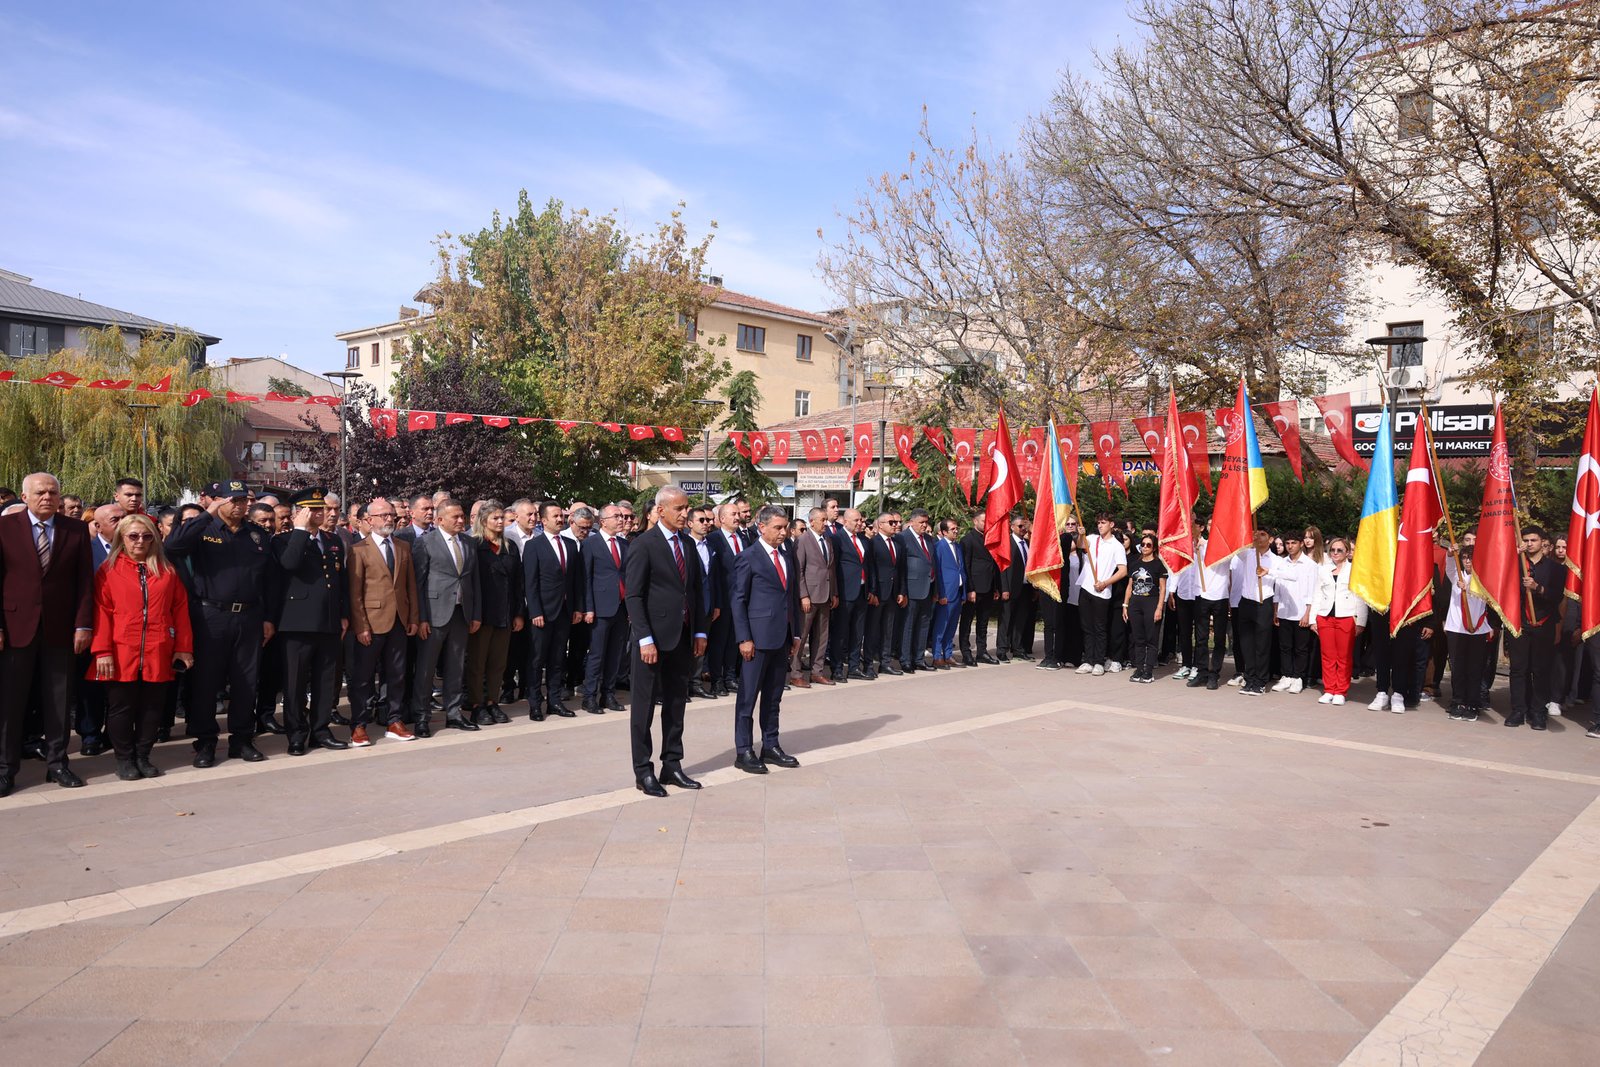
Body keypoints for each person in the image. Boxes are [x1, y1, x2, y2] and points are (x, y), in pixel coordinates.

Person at [164, 479, 277, 767]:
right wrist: (207, 513)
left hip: (249, 616)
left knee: (246, 681)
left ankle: (241, 738)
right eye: (233, 500)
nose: (240, 506)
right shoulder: (204, 530)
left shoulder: (256, 535)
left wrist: (267, 617)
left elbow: (267, 581)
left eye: (243, 501)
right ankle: (205, 741)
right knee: (206, 681)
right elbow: (173, 546)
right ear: (219, 501)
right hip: (211, 616)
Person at [0, 472, 95, 794]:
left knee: (59, 700)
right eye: (40, 492)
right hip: (15, 628)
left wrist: (83, 624)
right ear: (24, 497)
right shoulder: (5, 528)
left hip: (61, 628)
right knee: (10, 702)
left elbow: (85, 581)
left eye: (53, 492)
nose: (47, 497)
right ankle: (5, 768)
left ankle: (58, 763)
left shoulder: (76, 530)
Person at [90, 513, 193, 780]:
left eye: (147, 536)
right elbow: (100, 612)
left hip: (158, 648)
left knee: (152, 707)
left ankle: (143, 755)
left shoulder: (167, 571)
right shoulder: (108, 570)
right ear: (122, 538)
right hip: (121, 648)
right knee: (121, 707)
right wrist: (102, 651)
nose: (140, 541)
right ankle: (124, 758)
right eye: (133, 536)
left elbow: (180, 610)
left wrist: (183, 647)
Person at [624, 486, 708, 797]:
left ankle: (672, 764)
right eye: (680, 509)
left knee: (676, 704)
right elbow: (634, 596)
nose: (686, 514)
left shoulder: (687, 544)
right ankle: (643, 771)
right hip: (652, 640)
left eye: (687, 508)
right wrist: (644, 638)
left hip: (682, 638)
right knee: (643, 709)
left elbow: (696, 592)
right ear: (661, 511)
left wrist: (700, 631)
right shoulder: (644, 545)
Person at [272, 488, 349, 755]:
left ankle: (320, 730)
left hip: (328, 621)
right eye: (313, 509)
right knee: (294, 682)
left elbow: (341, 581)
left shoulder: (332, 539)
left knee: (326, 681)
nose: (321, 513)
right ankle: (296, 733)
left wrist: (343, 614)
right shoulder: (284, 540)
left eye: (322, 509)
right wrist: (300, 531)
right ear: (298, 513)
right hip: (297, 623)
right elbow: (290, 564)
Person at [730, 504, 803, 774]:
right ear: (761, 527)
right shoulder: (748, 557)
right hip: (756, 640)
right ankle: (744, 750)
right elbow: (738, 600)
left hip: (781, 636)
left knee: (774, 696)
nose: (783, 532)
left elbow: (791, 596)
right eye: (778, 528)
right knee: (748, 698)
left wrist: (795, 632)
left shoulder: (787, 554)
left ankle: (770, 745)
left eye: (785, 527)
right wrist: (744, 638)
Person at [346, 497, 419, 745]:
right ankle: (359, 724)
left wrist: (413, 618)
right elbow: (355, 594)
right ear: (368, 520)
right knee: (364, 678)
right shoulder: (358, 549)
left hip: (399, 620)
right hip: (371, 623)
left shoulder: (402, 546)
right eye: (383, 515)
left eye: (391, 515)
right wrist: (361, 626)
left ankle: (394, 720)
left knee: (397, 674)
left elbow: (411, 587)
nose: (389, 519)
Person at [410, 499, 481, 736]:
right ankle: (421, 716)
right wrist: (420, 618)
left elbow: (474, 581)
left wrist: (475, 613)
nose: (461, 520)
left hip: (462, 614)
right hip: (433, 615)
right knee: (426, 668)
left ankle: (454, 713)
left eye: (462, 516)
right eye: (456, 517)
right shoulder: (425, 543)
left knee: (456, 666)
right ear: (440, 520)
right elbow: (418, 584)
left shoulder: (469, 543)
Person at [467, 500, 525, 725]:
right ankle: (476, 704)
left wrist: (518, 613)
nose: (500, 522)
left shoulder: (510, 546)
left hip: (505, 613)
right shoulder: (474, 545)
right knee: (477, 662)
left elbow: (518, 583)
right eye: (495, 518)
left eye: (502, 518)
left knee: (498, 663)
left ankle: (492, 701)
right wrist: (474, 615)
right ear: (484, 521)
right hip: (482, 614)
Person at [523, 500, 582, 720]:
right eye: (555, 516)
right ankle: (535, 703)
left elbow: (575, 580)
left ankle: (554, 701)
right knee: (537, 660)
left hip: (565, 612)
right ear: (543, 520)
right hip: (543, 613)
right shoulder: (534, 546)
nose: (560, 519)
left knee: (558, 659)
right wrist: (535, 611)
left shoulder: (569, 544)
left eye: (562, 516)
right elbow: (530, 583)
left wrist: (577, 608)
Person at [1506, 525, 1562, 730]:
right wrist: (1513, 557)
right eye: (1526, 540)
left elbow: (1557, 596)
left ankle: (1538, 712)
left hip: (1543, 623)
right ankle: (1518, 710)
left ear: (1542, 542)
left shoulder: (1556, 568)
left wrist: (1537, 588)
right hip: (1519, 623)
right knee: (1518, 669)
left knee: (1540, 670)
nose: (1529, 544)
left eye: (1533, 540)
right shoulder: (1516, 564)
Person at [582, 503, 633, 713]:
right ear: (602, 521)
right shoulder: (591, 544)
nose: (621, 520)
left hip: (621, 607)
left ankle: (608, 694)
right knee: (597, 655)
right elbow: (585, 578)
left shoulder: (624, 544)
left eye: (622, 516)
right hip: (600, 608)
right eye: (616, 516)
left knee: (615, 654)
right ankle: (589, 696)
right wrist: (588, 608)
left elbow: (627, 576)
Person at [1440, 547, 1495, 722]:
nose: (1468, 562)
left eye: (1471, 558)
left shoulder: (1484, 579)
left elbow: (1488, 597)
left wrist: (1468, 589)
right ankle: (1458, 702)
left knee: (1475, 668)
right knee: (1458, 668)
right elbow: (1449, 566)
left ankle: (1473, 703)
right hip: (1457, 629)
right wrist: (1450, 553)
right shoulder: (1457, 575)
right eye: (1464, 558)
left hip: (1477, 630)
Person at [1311, 537, 1365, 705]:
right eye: (1332, 550)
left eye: (1339, 550)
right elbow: (1317, 594)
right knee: (1327, 655)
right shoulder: (1323, 570)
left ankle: (1341, 690)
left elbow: (1360, 596)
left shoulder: (1354, 569)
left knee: (1344, 656)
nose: (1335, 553)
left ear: (1347, 552)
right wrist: (1313, 618)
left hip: (1346, 616)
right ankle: (1329, 689)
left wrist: (1361, 620)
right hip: (1325, 616)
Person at [1075, 514, 1128, 676]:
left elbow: (1123, 571)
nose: (1100, 525)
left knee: (1099, 628)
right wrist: (1080, 534)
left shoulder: (1116, 546)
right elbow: (1079, 545)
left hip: (1102, 591)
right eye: (1098, 523)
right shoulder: (1092, 538)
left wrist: (1106, 583)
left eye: (1103, 523)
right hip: (1086, 588)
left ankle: (1098, 661)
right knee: (1086, 626)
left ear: (1111, 524)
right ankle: (1088, 660)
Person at [791, 506, 837, 686]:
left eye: (826, 520)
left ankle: (817, 672)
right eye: (822, 520)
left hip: (825, 595)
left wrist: (834, 592)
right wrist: (803, 595)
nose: (826, 523)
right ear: (812, 521)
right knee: (802, 636)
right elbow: (799, 570)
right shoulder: (803, 540)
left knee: (822, 636)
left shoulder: (827, 540)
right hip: (809, 596)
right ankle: (796, 673)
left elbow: (831, 569)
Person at [1230, 528, 1280, 695]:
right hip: (1246, 603)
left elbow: (1289, 575)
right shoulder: (1248, 554)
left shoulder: (1276, 560)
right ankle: (1249, 678)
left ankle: (1260, 681)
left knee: (1262, 645)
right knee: (1246, 644)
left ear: (1271, 539)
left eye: (1263, 534)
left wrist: (1269, 571)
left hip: (1263, 603)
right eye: (1256, 533)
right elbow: (1233, 545)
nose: (1258, 537)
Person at [1270, 530, 1319, 694]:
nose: (1290, 546)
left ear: (1301, 544)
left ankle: (1298, 677)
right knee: (1285, 646)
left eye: (1293, 543)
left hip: (1301, 612)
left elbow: (1312, 591)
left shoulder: (1310, 565)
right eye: (1288, 543)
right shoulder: (1281, 563)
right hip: (1284, 610)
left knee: (1301, 648)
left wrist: (1308, 613)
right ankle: (1287, 675)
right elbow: (1277, 587)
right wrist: (1275, 610)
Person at [828, 508, 871, 683]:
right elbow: (833, 568)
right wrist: (835, 592)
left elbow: (868, 566)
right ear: (845, 522)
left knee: (857, 632)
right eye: (856, 520)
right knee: (840, 632)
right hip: (845, 592)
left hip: (861, 592)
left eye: (861, 520)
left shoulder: (863, 540)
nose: (860, 523)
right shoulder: (837, 539)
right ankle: (837, 669)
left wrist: (871, 589)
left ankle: (854, 667)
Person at [896, 508, 940, 671]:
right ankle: (905, 659)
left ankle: (919, 659)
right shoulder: (902, 538)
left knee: (923, 625)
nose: (924, 525)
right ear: (911, 522)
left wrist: (935, 589)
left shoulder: (929, 539)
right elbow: (900, 567)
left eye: (926, 522)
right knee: (908, 626)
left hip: (927, 588)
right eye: (921, 522)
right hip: (911, 589)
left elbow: (933, 564)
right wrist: (902, 591)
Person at [1121, 534, 1167, 683]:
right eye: (1143, 544)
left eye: (1148, 545)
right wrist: (1125, 605)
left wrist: (1159, 608)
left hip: (1151, 603)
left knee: (1151, 639)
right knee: (1138, 638)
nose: (1145, 547)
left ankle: (1148, 671)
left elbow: (1163, 588)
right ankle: (1139, 669)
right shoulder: (1134, 564)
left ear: (1154, 548)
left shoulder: (1158, 565)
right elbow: (1129, 586)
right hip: (1135, 603)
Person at [959, 511, 1002, 666]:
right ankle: (966, 652)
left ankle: (982, 652)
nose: (986, 524)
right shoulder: (967, 540)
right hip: (975, 588)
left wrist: (996, 587)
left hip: (989, 586)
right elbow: (966, 566)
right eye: (983, 521)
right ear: (974, 521)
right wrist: (970, 589)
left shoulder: (990, 539)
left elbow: (994, 564)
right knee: (967, 621)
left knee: (983, 622)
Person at [866, 513, 906, 675]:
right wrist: (872, 591)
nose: (895, 525)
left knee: (888, 630)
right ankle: (868, 664)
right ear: (880, 525)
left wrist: (902, 591)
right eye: (891, 522)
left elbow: (901, 570)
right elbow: (871, 569)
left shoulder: (897, 543)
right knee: (872, 630)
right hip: (878, 593)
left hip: (893, 593)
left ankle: (885, 663)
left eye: (896, 522)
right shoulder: (873, 543)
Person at [930, 518, 966, 668]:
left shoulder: (957, 547)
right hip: (946, 593)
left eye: (957, 528)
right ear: (944, 532)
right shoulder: (939, 547)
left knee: (952, 626)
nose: (956, 531)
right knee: (941, 626)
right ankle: (937, 656)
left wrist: (963, 592)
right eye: (953, 529)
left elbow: (961, 569)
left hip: (957, 591)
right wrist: (940, 594)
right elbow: (937, 572)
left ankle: (948, 654)